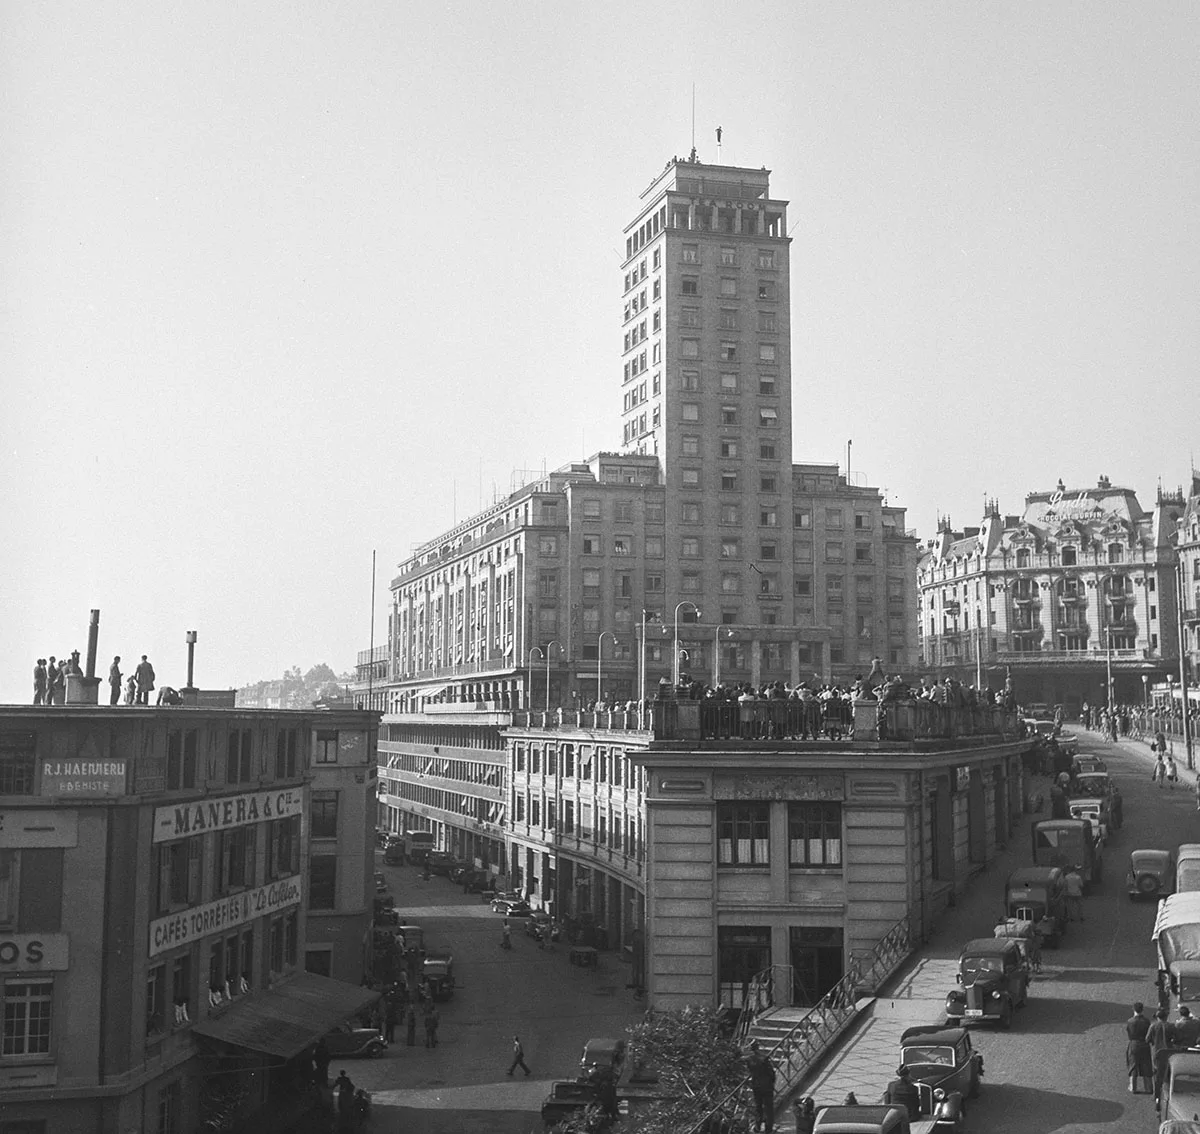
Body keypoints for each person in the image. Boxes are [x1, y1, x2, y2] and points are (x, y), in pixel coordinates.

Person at [746, 1041, 776, 1132]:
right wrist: (772, 1082)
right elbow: (771, 1073)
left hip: (756, 1086)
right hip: (767, 1086)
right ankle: (768, 1128)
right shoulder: (764, 1058)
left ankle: (758, 1127)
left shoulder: (749, 1059)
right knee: (768, 1108)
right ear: (758, 1048)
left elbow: (750, 1071)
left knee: (758, 1108)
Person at [1126, 1002, 1153, 1093]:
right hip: (1144, 1043)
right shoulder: (1146, 1021)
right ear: (1142, 1010)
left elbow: (1129, 1033)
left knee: (1133, 1064)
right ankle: (1148, 1087)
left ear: (1134, 1010)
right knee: (1146, 1065)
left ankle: (1133, 1086)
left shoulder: (1130, 1021)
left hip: (1134, 1043)